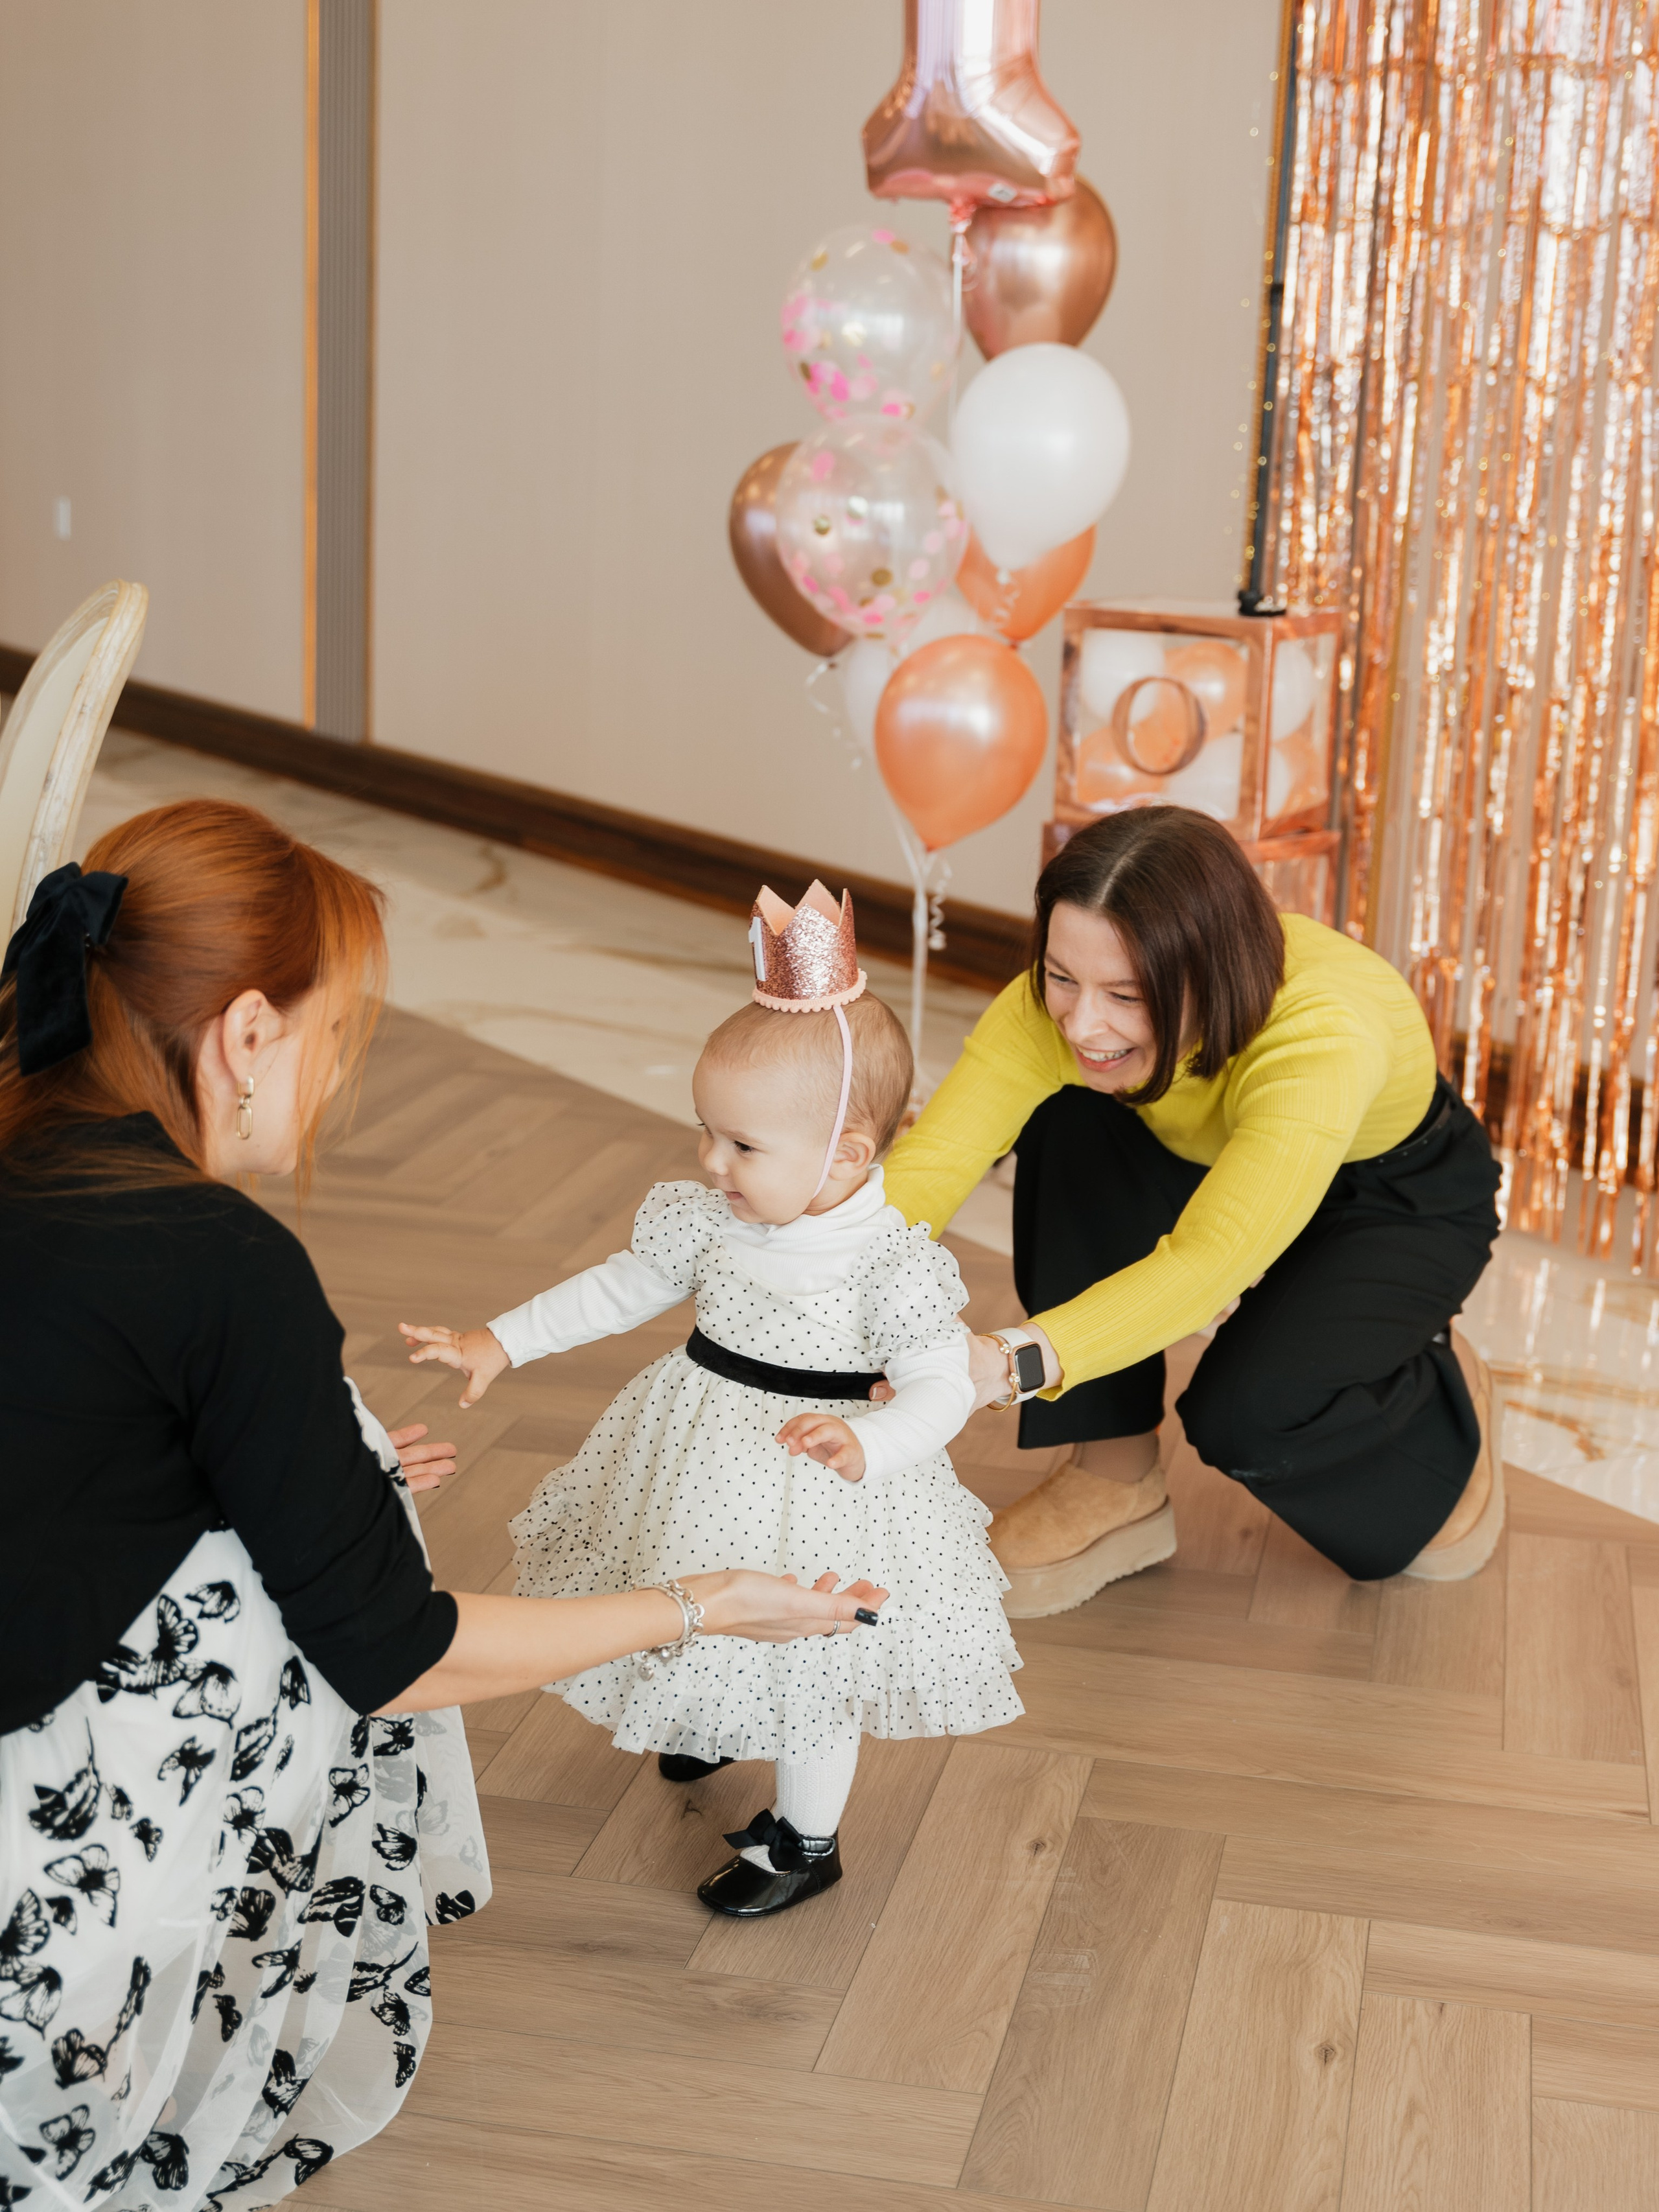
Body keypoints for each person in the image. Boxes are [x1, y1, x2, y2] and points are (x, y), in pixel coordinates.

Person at [0, 803, 881, 2212]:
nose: (340, 1078)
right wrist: (701, 1602)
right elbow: (396, 1654)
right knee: (350, 1593)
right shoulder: (219, 1260)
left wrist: (318, 1464)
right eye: (337, 1035)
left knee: (349, 1461)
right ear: (245, 1032)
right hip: (31, 1840)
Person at [402, 881, 1021, 1919]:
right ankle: (715, 1715)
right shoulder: (710, 1219)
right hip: (699, 1452)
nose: (709, 1161)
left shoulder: (892, 1267)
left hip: (825, 1485)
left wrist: (871, 1442)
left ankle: (805, 1841)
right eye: (707, 1132)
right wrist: (499, 1340)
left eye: (742, 1146)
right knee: (687, 1584)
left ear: (847, 1154)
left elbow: (942, 1384)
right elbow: (618, 1288)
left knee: (812, 1658)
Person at [881, 806, 1503, 1616]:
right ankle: (1113, 1474)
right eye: (1062, 976)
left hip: (1386, 1197)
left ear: (1214, 972)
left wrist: (1007, 1362)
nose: (1081, 1020)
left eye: (1125, 994)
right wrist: (807, 1277)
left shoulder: (1325, 1035)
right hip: (1198, 1154)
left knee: (1242, 1417)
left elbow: (1209, 1260)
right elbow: (935, 1163)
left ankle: (1430, 1383)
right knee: (1071, 1107)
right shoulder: (1061, 1008)